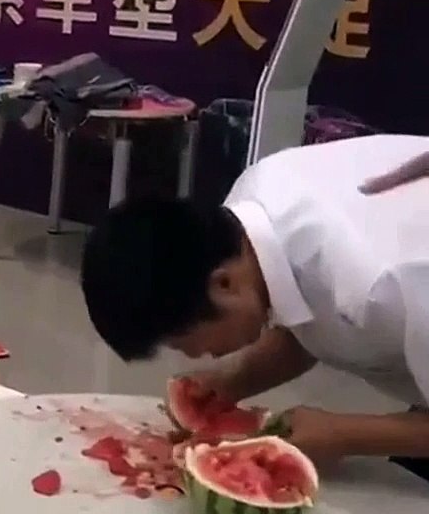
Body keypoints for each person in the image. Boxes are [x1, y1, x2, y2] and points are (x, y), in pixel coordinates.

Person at [79, 134, 429, 478]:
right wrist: (236, 381)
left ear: (223, 284)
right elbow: (317, 320)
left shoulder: (386, 285)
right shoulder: (252, 206)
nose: (201, 356)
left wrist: (343, 435)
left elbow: (346, 304)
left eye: (185, 343)